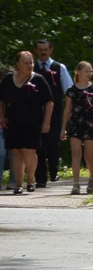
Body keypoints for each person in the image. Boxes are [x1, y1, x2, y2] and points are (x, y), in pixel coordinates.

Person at [0, 51, 54, 194]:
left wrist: (47, 122)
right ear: (17, 64)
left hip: (33, 121)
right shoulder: (8, 79)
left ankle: (31, 180)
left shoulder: (38, 79)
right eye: (25, 62)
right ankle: (18, 185)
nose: (29, 65)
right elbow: (1, 100)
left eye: (30, 62)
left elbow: (49, 102)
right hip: (13, 121)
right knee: (16, 151)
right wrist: (1, 116)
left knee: (29, 150)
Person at [60, 61, 93, 194]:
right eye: (86, 71)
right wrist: (63, 128)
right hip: (75, 123)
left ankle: (92, 177)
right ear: (78, 72)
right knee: (76, 153)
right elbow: (67, 110)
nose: (89, 74)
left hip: (90, 123)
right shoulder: (71, 91)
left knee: (88, 155)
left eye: (91, 71)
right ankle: (76, 183)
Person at [33, 39, 72, 187]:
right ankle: (40, 177)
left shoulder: (59, 67)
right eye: (40, 49)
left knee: (52, 144)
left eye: (45, 49)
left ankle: (54, 172)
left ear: (51, 50)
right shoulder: (32, 67)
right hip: (35, 112)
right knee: (38, 145)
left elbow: (69, 90)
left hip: (55, 113)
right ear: (36, 51)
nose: (43, 52)